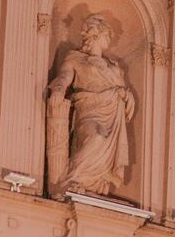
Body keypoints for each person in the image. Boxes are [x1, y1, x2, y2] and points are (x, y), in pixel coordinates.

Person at [46, 15, 136, 197]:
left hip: (112, 112)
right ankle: (71, 178)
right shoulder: (74, 58)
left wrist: (127, 95)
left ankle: (93, 185)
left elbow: (122, 88)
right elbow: (64, 77)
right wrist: (58, 89)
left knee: (102, 141)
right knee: (96, 137)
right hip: (89, 109)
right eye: (107, 36)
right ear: (96, 35)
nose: (109, 40)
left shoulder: (114, 66)